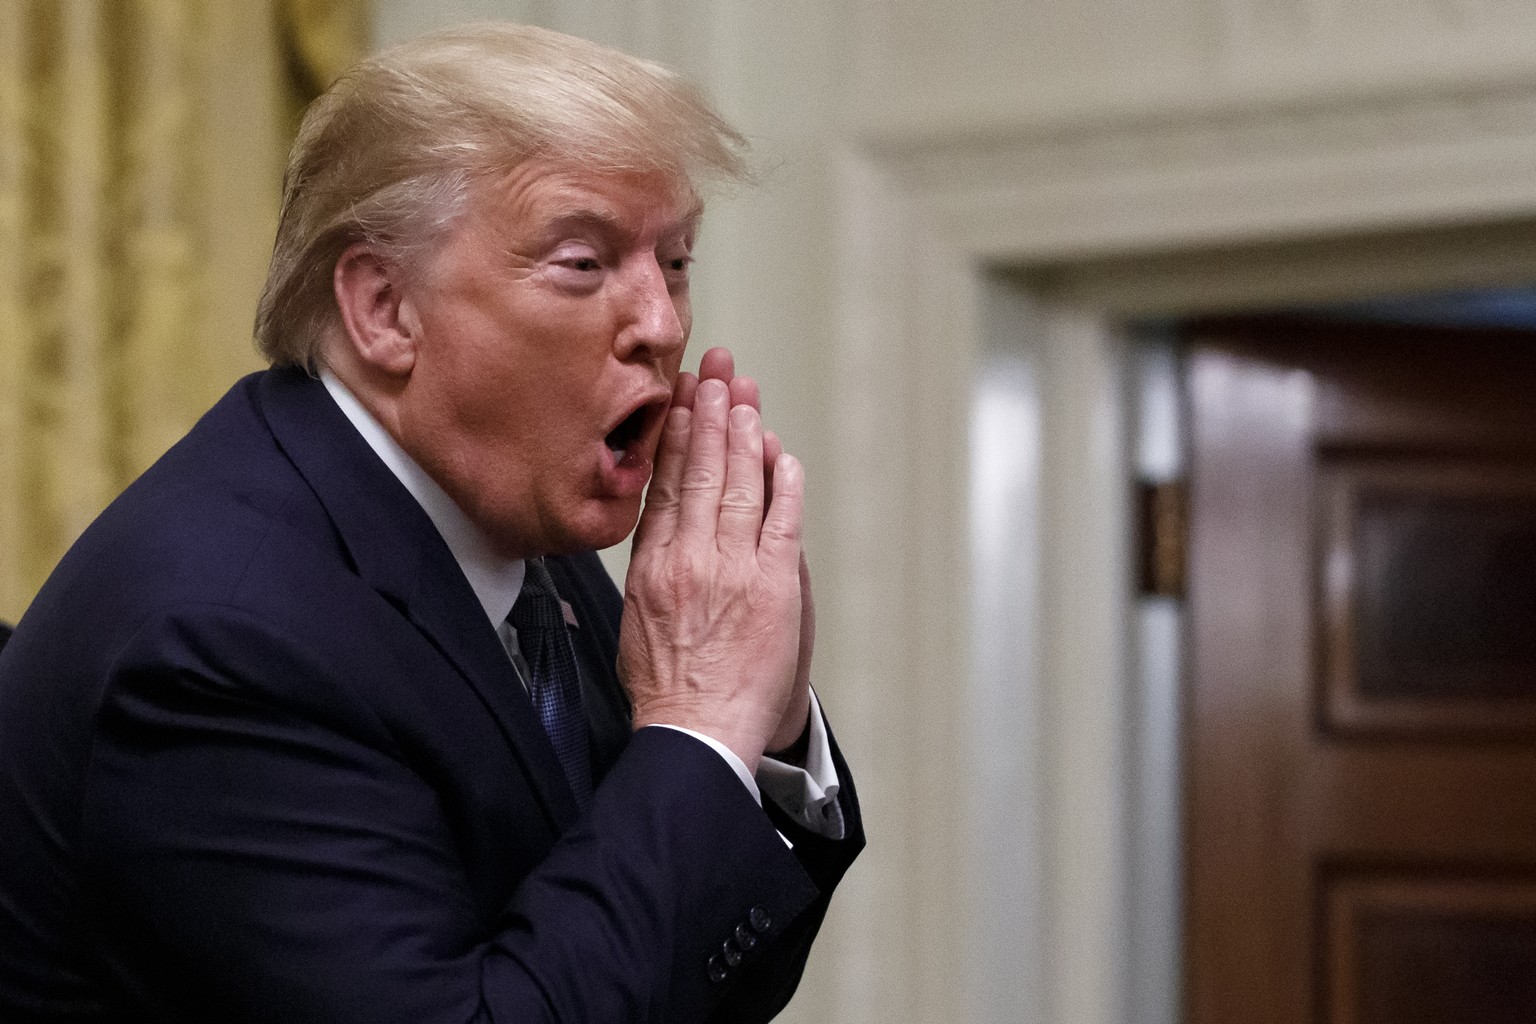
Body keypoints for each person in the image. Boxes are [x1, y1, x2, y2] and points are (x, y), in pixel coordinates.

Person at [0, 23, 862, 1023]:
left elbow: (672, 975)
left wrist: (761, 723)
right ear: (384, 310)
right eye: (584, 263)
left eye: (673, 261)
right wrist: (698, 729)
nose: (663, 323)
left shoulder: (521, 540)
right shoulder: (224, 640)